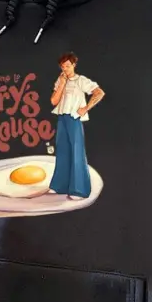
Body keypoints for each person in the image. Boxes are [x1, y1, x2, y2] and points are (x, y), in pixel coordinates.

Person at [49, 52, 105, 199]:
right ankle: (60, 186)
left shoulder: (81, 80)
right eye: (63, 67)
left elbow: (99, 93)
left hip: (74, 119)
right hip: (62, 118)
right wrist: (62, 83)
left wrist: (86, 108)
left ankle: (79, 190)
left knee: (76, 152)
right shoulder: (60, 80)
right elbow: (54, 101)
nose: (65, 69)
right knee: (62, 151)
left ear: (74, 65)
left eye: (68, 66)